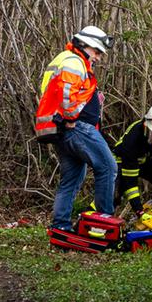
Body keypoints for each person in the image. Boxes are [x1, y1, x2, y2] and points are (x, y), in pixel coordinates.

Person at [33, 26, 115, 231]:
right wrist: (70, 117)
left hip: (64, 131)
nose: (98, 57)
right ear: (85, 45)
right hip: (76, 128)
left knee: (71, 180)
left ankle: (60, 226)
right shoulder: (74, 62)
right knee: (107, 167)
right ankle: (104, 224)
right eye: (97, 52)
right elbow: (67, 94)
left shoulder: (67, 60)